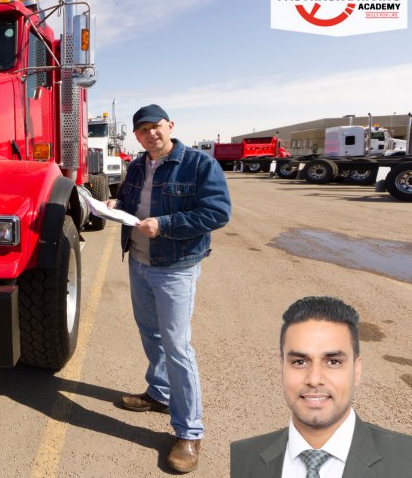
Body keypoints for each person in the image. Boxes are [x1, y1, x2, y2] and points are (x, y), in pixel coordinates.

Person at [107, 104, 231, 473]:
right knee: (150, 334)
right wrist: (115, 204)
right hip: (140, 264)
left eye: (155, 127)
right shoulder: (137, 165)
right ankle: (159, 394)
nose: (150, 134)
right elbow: (132, 203)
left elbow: (217, 212)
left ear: (170, 126)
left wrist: (164, 224)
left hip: (175, 267)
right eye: (142, 130)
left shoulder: (198, 164)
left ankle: (189, 432)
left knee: (178, 346)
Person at [230, 296, 412, 477]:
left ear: (356, 371)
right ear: (282, 368)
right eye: (300, 362)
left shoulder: (406, 460)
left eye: (333, 362)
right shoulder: (242, 459)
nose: (314, 379)